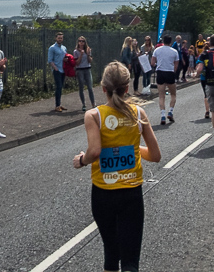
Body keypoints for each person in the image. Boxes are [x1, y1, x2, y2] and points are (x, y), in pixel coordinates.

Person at [72, 61, 161, 272]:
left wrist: (82, 160)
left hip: (103, 193)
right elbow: (156, 155)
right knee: (130, 260)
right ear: (127, 88)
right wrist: (132, 148)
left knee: (111, 252)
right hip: (131, 192)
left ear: (103, 88)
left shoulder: (94, 115)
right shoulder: (138, 113)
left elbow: (94, 151)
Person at [150, 34, 179, 125]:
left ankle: (162, 115)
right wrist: (173, 71)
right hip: (169, 73)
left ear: (163, 41)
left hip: (160, 73)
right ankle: (170, 111)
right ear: (170, 42)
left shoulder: (157, 50)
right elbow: (176, 65)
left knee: (161, 95)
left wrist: (157, 65)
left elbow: (152, 63)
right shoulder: (174, 51)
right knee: (173, 94)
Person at [73, 36, 96, 112]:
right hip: (80, 70)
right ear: (78, 42)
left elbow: (90, 61)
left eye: (83, 41)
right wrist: (81, 55)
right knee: (81, 88)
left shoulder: (87, 50)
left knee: (90, 87)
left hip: (87, 69)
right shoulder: (75, 51)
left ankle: (93, 104)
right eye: (80, 41)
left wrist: (88, 54)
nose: (81, 43)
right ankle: (83, 104)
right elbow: (77, 63)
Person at [48, 32, 68, 111]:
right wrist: (55, 67)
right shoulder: (52, 48)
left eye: (61, 38)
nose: (60, 39)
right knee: (58, 87)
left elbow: (64, 57)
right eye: (59, 38)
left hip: (63, 69)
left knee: (61, 87)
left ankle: (59, 104)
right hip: (57, 70)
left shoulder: (64, 48)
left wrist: (65, 60)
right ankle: (57, 105)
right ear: (56, 38)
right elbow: (50, 60)